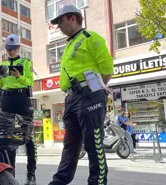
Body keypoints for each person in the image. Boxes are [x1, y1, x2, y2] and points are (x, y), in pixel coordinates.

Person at [48, 5, 114, 185]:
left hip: (89, 96)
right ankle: (59, 182)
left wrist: (95, 89)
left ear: (72, 18)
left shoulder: (90, 38)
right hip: (71, 98)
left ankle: (97, 182)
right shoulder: (69, 44)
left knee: (93, 144)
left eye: (60, 21)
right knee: (70, 145)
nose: (58, 26)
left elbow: (107, 69)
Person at [0, 33, 37, 185]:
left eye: (13, 49)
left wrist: (19, 76)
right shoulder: (4, 65)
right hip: (6, 99)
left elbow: (30, 81)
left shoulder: (25, 62)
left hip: (22, 99)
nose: (10, 52)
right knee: (8, 137)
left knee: (28, 137)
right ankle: (10, 174)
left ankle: (31, 174)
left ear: (18, 48)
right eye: (8, 49)